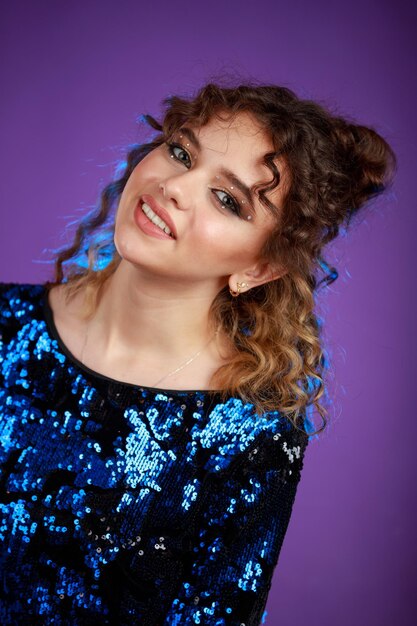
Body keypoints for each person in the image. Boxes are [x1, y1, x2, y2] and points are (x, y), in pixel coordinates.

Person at [0, 82, 395, 625]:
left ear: (259, 268)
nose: (176, 186)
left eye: (227, 199)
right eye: (182, 152)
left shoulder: (249, 439)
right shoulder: (6, 326)